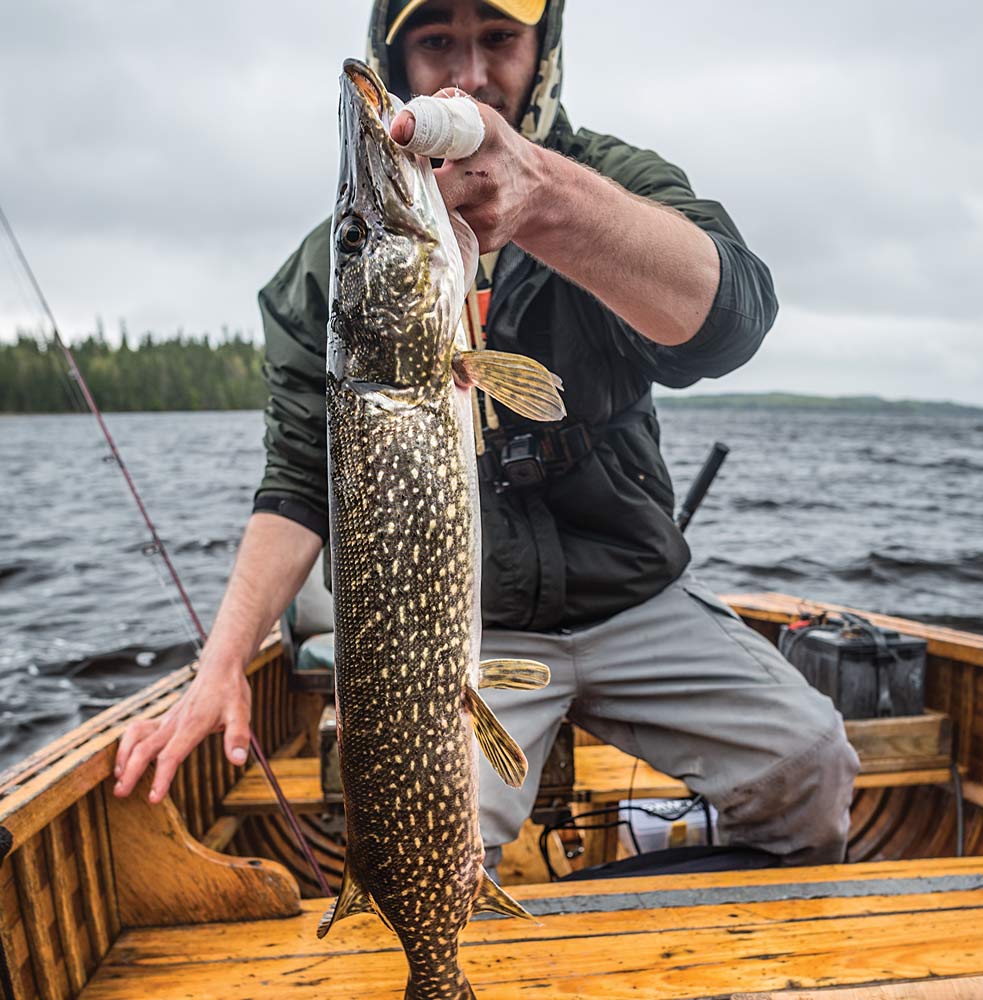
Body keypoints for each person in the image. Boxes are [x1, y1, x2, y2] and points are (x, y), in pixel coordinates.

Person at [114, 0, 859, 867]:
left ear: (542, 54)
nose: (468, 73)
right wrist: (221, 665)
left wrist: (547, 200)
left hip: (635, 596)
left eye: (498, 38)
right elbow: (295, 481)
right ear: (398, 64)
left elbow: (731, 322)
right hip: (471, 631)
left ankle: (653, 931)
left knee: (811, 766)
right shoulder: (336, 265)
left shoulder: (609, 182)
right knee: (430, 850)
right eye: (435, 42)